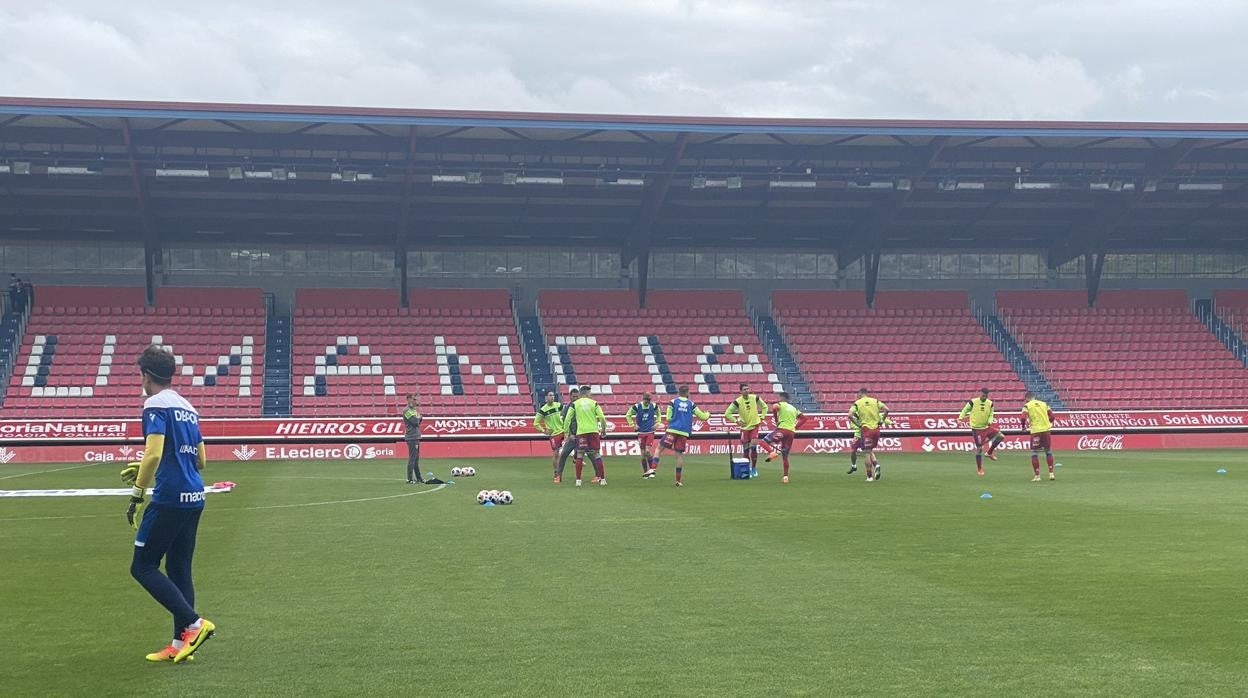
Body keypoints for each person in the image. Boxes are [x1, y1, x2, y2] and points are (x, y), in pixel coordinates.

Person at [122, 345, 215, 663]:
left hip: (170, 497)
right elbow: (201, 460)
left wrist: (137, 492)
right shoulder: (188, 407)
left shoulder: (154, 404)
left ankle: (195, 624)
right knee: (178, 569)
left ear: (145, 374)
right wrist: (149, 465)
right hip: (194, 496)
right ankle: (180, 644)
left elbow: (155, 453)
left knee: (143, 566)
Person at [654, 385, 710, 487]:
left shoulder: (673, 402)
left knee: (659, 449)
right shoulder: (691, 404)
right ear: (687, 393)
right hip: (683, 432)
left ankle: (653, 469)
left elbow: (668, 417)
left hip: (672, 430)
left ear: (679, 392)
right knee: (679, 456)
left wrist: (675, 418)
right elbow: (702, 417)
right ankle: (678, 481)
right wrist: (707, 414)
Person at [724, 383, 767, 478]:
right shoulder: (737, 402)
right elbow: (727, 413)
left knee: (753, 447)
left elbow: (765, 406)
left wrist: (762, 417)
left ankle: (754, 468)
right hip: (744, 429)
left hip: (754, 426)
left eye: (748, 389)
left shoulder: (754, 397)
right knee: (746, 450)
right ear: (741, 391)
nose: (747, 391)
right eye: (744, 389)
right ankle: (747, 469)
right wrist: (736, 421)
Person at [761, 391, 805, 483]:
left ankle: (772, 453)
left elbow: (774, 407)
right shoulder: (794, 408)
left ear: (781, 398)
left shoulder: (780, 404)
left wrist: (776, 419)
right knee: (785, 455)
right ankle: (785, 477)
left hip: (782, 429)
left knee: (763, 442)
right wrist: (795, 427)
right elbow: (804, 418)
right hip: (791, 433)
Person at [959, 387, 1004, 476]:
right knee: (979, 449)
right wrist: (961, 417)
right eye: (983, 395)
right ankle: (979, 469)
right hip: (977, 429)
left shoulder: (990, 403)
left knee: (1001, 436)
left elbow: (991, 414)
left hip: (986, 427)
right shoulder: (973, 402)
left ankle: (989, 452)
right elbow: (965, 410)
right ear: (981, 394)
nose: (985, 397)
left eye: (986, 396)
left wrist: (990, 420)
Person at [568, 385, 608, 486]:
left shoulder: (575, 404)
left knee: (580, 454)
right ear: (585, 393)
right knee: (597, 454)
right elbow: (602, 417)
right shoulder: (594, 403)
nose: (591, 395)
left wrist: (565, 432)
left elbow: (567, 419)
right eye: (590, 393)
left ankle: (578, 480)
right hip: (593, 431)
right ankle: (602, 479)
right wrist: (603, 429)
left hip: (581, 432)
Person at [849, 388, 890, 482]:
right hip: (876, 429)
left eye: (857, 394)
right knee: (870, 450)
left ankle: (869, 476)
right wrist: (881, 421)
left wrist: (858, 424)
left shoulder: (857, 403)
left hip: (866, 429)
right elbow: (887, 410)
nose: (857, 396)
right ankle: (876, 465)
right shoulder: (875, 401)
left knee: (867, 453)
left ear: (860, 393)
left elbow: (850, 415)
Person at [1021, 391, 1057, 482]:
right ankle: (1051, 473)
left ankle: (1037, 475)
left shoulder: (1027, 406)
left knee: (1034, 453)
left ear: (1027, 398)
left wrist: (1023, 426)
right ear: (1034, 397)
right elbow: (1052, 416)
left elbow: (1023, 417)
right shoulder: (1044, 404)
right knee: (1048, 451)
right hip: (1046, 430)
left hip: (1036, 431)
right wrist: (1048, 422)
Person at [626, 392, 661, 478]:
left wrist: (658, 423)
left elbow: (659, 414)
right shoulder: (637, 406)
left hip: (650, 432)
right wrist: (633, 425)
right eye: (646, 400)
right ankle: (646, 473)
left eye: (649, 400)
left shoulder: (654, 406)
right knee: (642, 455)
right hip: (641, 433)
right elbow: (628, 415)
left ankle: (652, 471)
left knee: (647, 451)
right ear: (643, 399)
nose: (648, 402)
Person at [553, 387, 584, 484]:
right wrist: (569, 434)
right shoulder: (567, 408)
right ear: (570, 397)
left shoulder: (582, 406)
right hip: (572, 437)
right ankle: (558, 476)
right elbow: (564, 421)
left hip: (582, 435)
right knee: (563, 455)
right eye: (573, 396)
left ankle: (598, 476)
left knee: (592, 455)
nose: (575, 398)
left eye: (577, 396)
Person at [534, 391, 566, 480]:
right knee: (556, 453)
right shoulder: (543, 410)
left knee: (575, 442)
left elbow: (566, 415)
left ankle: (576, 458)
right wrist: (544, 431)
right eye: (550, 395)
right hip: (554, 434)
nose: (552, 397)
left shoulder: (559, 405)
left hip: (563, 430)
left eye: (553, 395)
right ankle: (556, 472)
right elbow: (536, 423)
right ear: (546, 398)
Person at [403, 395, 424, 484]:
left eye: (416, 399)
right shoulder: (407, 410)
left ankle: (419, 478)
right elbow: (415, 422)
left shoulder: (414, 410)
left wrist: (419, 417)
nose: (416, 401)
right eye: (414, 399)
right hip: (412, 437)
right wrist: (419, 417)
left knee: (416, 459)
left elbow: (420, 420)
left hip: (415, 436)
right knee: (412, 458)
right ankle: (410, 478)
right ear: (408, 400)